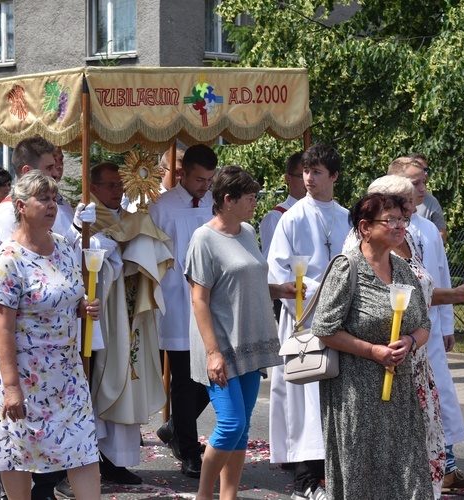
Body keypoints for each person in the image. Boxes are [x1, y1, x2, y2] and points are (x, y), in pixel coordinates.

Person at [0, 170, 101, 500]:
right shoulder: (8, 260)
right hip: (23, 374)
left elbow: (67, 297)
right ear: (21, 206)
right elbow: (2, 328)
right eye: (43, 198)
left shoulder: (65, 247)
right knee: (18, 453)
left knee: (82, 448)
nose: (52, 205)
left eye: (54, 199)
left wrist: (83, 308)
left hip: (66, 373)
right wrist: (11, 388)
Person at [185, 165, 297, 500]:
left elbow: (247, 281)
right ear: (228, 199)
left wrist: (278, 289)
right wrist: (212, 353)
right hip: (221, 345)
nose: (255, 203)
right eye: (250, 197)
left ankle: (228, 497)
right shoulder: (204, 238)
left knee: (242, 428)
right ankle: (205, 495)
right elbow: (199, 299)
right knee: (231, 424)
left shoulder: (247, 231)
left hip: (250, 340)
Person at [312, 192, 433, 499]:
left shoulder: (404, 269)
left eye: (401, 220)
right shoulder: (347, 267)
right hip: (356, 394)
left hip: (400, 393)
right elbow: (324, 328)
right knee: (361, 477)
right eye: (389, 220)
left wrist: (409, 340)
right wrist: (373, 351)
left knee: (409, 478)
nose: (399, 226)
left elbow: (425, 325)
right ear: (365, 228)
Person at [387, 157, 464, 491]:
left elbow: (436, 278)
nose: (422, 189)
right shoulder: (387, 229)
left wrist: (445, 327)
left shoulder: (426, 229)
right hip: (400, 335)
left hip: (426, 331)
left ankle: (447, 470)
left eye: (423, 182)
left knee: (439, 401)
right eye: (414, 183)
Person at [267, 143, 350, 500]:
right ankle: (305, 481)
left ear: (333, 176)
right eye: (305, 171)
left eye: (316, 172)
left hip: (342, 323)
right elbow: (279, 271)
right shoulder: (292, 217)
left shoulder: (348, 218)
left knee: (336, 402)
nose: (309, 178)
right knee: (304, 402)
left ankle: (334, 475)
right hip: (304, 323)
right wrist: (321, 289)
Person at [85, 161, 170, 485]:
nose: (117, 191)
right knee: (104, 382)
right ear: (93, 187)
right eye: (109, 186)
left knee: (130, 382)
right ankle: (95, 460)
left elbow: (155, 258)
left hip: (132, 316)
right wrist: (105, 253)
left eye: (119, 185)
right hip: (104, 317)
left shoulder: (130, 219)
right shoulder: (87, 222)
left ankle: (117, 462)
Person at [149, 144, 217, 478]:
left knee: (220, 371)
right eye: (199, 179)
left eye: (209, 180)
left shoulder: (215, 204)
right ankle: (188, 451)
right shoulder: (161, 206)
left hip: (214, 300)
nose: (204, 186)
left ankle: (176, 425)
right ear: (183, 174)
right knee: (184, 379)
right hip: (176, 300)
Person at [258, 151, 306, 259]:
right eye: (301, 176)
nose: (307, 181)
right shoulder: (276, 216)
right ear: (288, 178)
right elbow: (270, 260)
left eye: (312, 174)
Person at [409, 153, 448, 243]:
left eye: (426, 170)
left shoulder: (431, 201)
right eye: (421, 169)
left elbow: (442, 234)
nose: (425, 173)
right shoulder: (392, 200)